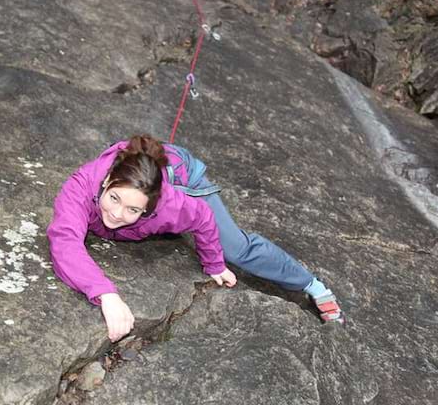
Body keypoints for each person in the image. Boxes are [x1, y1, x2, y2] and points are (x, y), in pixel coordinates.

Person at [48, 135, 344, 342]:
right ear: (108, 180)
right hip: (141, 168)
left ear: (150, 207)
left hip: (182, 175)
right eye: (113, 199)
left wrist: (214, 263)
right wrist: (106, 295)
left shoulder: (170, 205)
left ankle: (311, 285)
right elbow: (65, 242)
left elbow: (202, 217)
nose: (116, 214)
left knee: (236, 250)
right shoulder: (81, 187)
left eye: (133, 210)